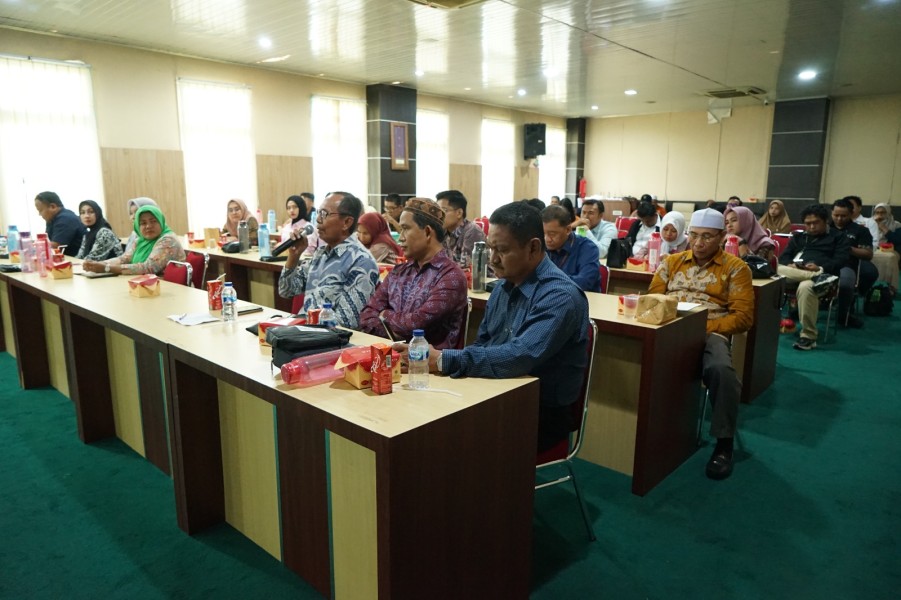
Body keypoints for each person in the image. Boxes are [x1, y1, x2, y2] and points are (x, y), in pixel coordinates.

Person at [394, 201, 589, 453]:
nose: (493, 259)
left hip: (539, 411)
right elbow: (483, 343)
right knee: (418, 418)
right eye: (490, 248)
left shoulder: (559, 296)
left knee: (442, 441)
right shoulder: (502, 287)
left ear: (533, 247)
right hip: (496, 393)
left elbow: (519, 356)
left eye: (502, 250)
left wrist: (442, 360)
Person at [648, 208, 754, 480]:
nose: (698, 242)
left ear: (722, 237)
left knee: (721, 370)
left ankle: (724, 443)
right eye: (694, 235)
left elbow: (743, 318)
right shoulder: (671, 262)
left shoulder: (736, 268)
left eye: (707, 236)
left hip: (711, 330)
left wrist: (699, 328)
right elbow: (653, 300)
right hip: (669, 328)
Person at [359, 198, 468, 349]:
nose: (401, 238)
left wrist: (384, 315)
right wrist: (396, 334)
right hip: (389, 355)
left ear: (427, 232)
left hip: (426, 362)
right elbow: (366, 315)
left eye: (406, 228)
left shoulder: (451, 276)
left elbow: (416, 325)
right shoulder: (399, 271)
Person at [277, 191, 378, 328]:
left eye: (324, 214)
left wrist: (302, 325)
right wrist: (293, 257)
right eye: (318, 213)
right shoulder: (321, 254)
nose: (318, 219)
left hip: (327, 337)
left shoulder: (361, 261)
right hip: (305, 330)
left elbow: (346, 322)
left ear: (346, 222)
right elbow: (286, 291)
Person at [777, 204, 850, 351]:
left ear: (825, 221)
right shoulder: (799, 237)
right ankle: (815, 275)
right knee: (775, 267)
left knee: (806, 287)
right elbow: (784, 257)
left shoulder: (838, 237)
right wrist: (790, 265)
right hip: (796, 273)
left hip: (824, 277)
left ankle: (808, 336)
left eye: (815, 223)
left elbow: (841, 260)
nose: (811, 227)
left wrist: (820, 268)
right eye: (808, 223)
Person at [83, 205, 185, 276]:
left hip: (169, 288)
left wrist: (107, 268)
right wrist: (98, 264)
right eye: (143, 223)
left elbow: (148, 268)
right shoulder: (140, 241)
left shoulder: (168, 240)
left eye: (153, 221)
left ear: (161, 222)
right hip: (145, 286)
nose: (148, 226)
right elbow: (124, 259)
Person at [830, 198, 878, 328]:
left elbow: (868, 254)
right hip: (822, 263)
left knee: (845, 284)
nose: (839, 219)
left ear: (851, 214)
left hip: (845, 265)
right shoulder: (825, 228)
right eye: (836, 215)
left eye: (843, 216)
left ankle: (844, 314)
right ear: (831, 213)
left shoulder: (860, 230)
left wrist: (848, 248)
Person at [542, 205, 600, 292]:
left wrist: (548, 281)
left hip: (580, 298)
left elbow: (584, 282)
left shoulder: (588, 248)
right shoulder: (540, 246)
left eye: (552, 234)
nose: (547, 239)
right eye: (543, 233)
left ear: (568, 230)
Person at [436, 190, 486, 266]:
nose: (439, 215)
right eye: (437, 211)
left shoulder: (472, 231)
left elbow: (467, 266)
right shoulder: (443, 232)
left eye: (444, 210)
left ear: (459, 213)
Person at [34, 191, 85, 257]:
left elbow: (54, 247)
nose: (39, 214)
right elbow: (47, 242)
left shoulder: (65, 218)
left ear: (53, 207)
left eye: (40, 210)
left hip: (78, 259)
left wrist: (34, 246)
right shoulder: (51, 219)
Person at [870, 202, 900, 295]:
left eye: (882, 212)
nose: (879, 215)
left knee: (891, 257)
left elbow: (898, 240)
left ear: (888, 213)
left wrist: (884, 228)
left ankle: (891, 287)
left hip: (890, 250)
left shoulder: (896, 225)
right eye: (877, 212)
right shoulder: (869, 222)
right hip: (873, 248)